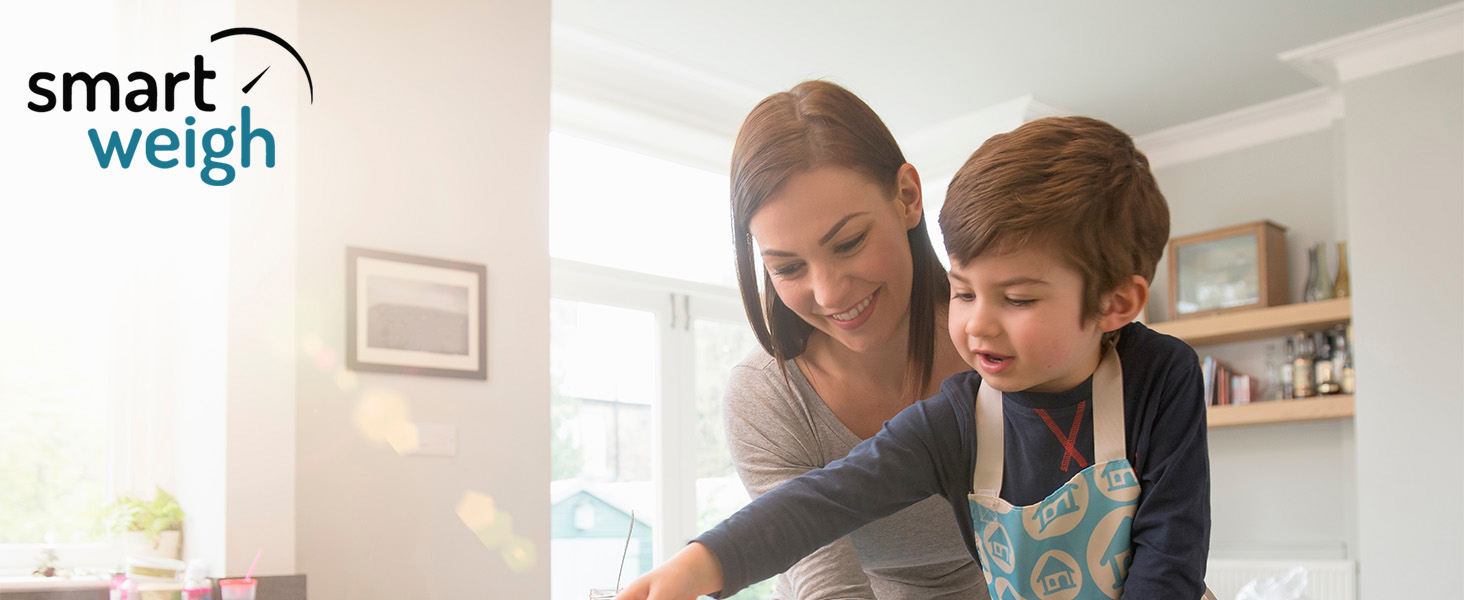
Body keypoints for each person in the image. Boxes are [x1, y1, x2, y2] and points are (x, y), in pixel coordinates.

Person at [616, 116, 1214, 600]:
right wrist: (700, 564)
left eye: (1019, 298)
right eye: (963, 291)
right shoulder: (956, 419)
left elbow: (1172, 547)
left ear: (1116, 303)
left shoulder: (1162, 377)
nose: (978, 324)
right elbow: (825, 499)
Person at [716, 80, 988, 599]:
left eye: (849, 242)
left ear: (907, 198)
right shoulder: (768, 396)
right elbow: (828, 586)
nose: (830, 292)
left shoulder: (996, 341)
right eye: (788, 266)